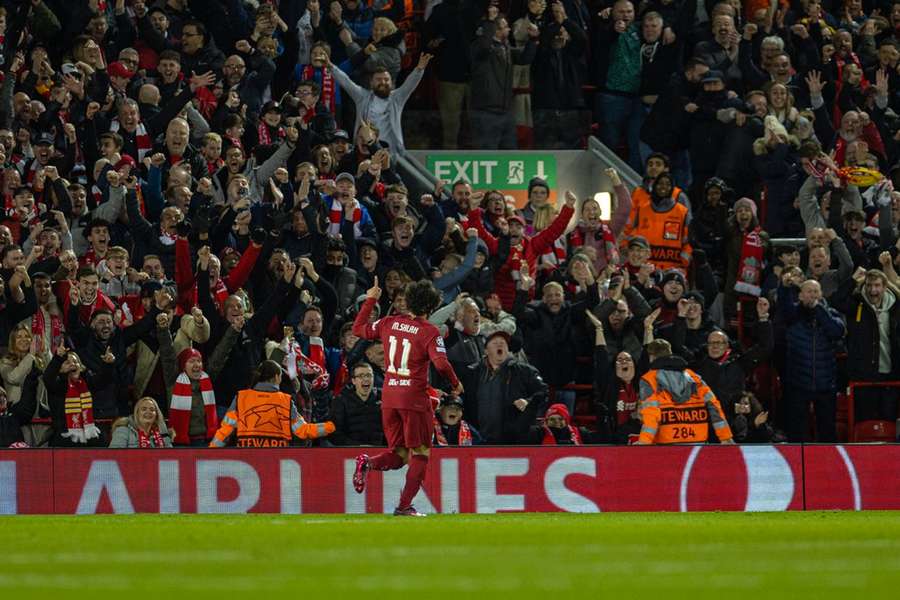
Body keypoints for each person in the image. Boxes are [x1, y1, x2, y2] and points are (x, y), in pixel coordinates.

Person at [351, 277, 463, 516]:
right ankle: (404, 507)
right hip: (414, 399)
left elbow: (357, 329)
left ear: (409, 301)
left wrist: (371, 299)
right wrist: (455, 382)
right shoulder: (429, 332)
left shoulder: (389, 322)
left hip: (389, 397)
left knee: (401, 454)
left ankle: (367, 462)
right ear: (431, 307)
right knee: (421, 453)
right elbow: (441, 364)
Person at [778, 277, 846, 442]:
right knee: (797, 431)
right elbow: (784, 307)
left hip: (825, 383)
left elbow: (837, 332)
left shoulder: (831, 314)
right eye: (808, 291)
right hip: (799, 383)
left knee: (827, 431)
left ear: (822, 294)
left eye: (816, 291)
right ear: (800, 296)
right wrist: (785, 288)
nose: (813, 295)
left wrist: (820, 310)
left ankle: (828, 464)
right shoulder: (793, 315)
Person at [210, 360, 334, 448]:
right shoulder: (286, 401)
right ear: (276, 377)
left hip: (247, 458)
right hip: (277, 460)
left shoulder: (240, 397)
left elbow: (225, 431)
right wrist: (331, 426)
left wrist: (208, 453)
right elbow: (302, 430)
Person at [636, 339, 734, 445]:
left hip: (666, 445)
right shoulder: (693, 377)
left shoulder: (648, 379)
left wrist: (644, 442)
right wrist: (725, 437)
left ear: (651, 357)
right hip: (697, 442)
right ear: (670, 354)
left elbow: (651, 413)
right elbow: (714, 406)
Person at [328, 360, 385, 446]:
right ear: (354, 381)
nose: (366, 379)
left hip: (380, 449)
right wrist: (356, 446)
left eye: (369, 375)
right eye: (361, 376)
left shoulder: (383, 397)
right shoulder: (341, 401)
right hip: (350, 450)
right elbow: (334, 433)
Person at [108, 397, 173, 448]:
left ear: (156, 415)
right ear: (137, 413)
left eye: (152, 409)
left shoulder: (162, 432)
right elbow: (114, 456)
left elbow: (171, 456)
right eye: (144, 409)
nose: (148, 412)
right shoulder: (123, 430)